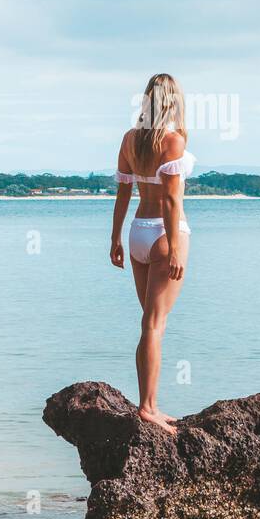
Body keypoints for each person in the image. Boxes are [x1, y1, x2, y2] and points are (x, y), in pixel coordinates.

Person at [110, 74, 195, 435]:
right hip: (163, 233)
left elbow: (124, 193)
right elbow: (173, 200)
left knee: (148, 323)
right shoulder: (173, 141)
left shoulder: (131, 140)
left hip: (137, 234)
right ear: (172, 102)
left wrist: (115, 238)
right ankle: (149, 407)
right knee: (154, 325)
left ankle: (149, 404)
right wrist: (175, 247)